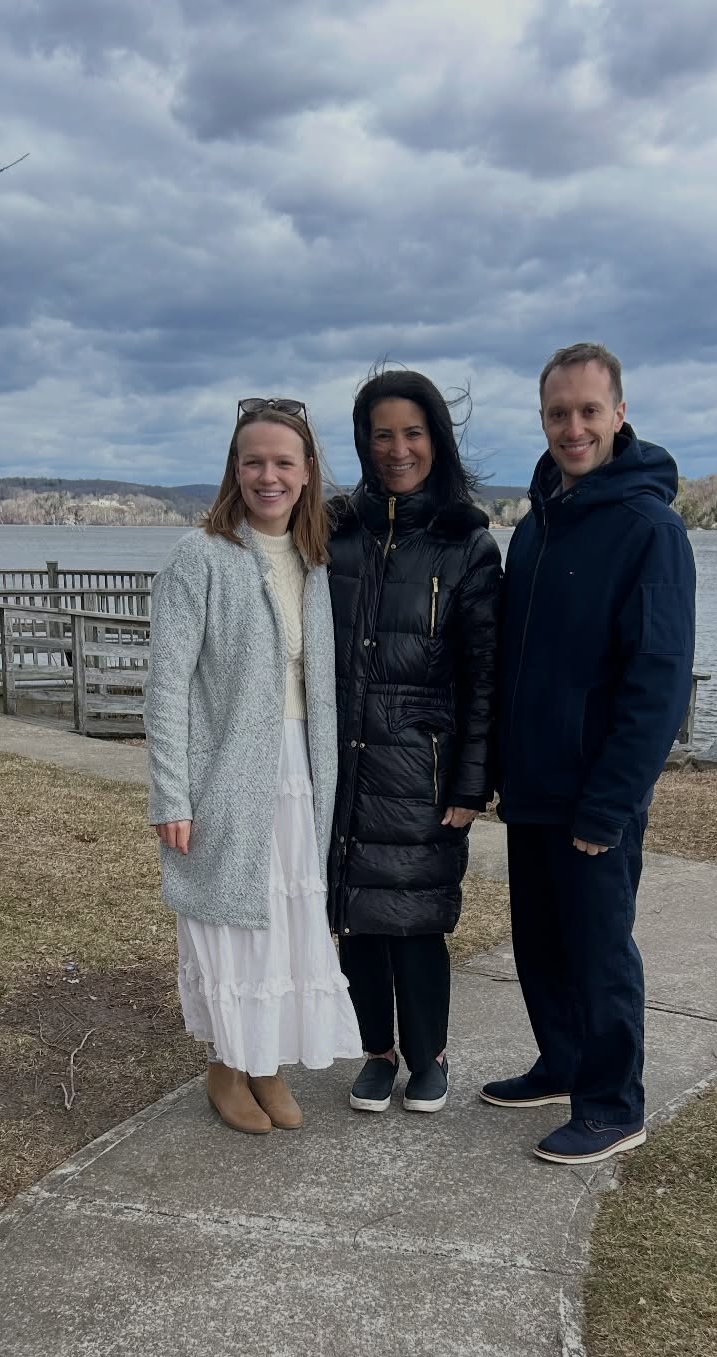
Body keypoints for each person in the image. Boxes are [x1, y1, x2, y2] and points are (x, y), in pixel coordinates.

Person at [483, 342, 696, 1165]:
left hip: (594, 794)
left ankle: (612, 1103)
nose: (572, 427)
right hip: (532, 783)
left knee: (600, 948)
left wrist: (610, 802)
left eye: (587, 411)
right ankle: (563, 1062)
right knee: (539, 939)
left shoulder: (650, 529)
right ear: (542, 420)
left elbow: (659, 680)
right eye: (557, 413)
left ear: (618, 413)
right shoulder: (536, 526)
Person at [145, 398, 362, 1133]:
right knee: (233, 917)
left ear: (306, 473)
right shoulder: (200, 557)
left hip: (300, 767)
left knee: (287, 917)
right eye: (253, 461)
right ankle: (225, 1065)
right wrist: (171, 795)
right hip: (229, 773)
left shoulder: (315, 560)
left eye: (283, 462)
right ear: (234, 471)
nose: (268, 475)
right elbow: (168, 685)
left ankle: (266, 1060)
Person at [327, 369, 502, 1115]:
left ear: (436, 438)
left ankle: (428, 1053)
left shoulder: (466, 543)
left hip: (422, 765)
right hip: (340, 759)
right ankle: (377, 1050)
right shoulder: (334, 530)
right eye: (382, 434)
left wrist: (470, 782)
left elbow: (485, 677)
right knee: (357, 914)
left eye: (413, 433)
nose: (398, 449)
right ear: (365, 443)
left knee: (418, 918)